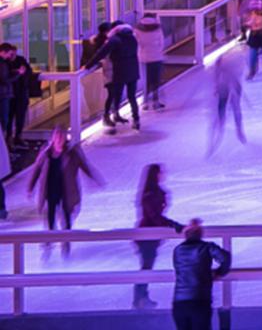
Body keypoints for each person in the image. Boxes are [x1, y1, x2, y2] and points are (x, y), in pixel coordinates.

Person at [27, 127, 100, 253]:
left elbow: (84, 165)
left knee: (66, 217)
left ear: (65, 138)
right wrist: (30, 187)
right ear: (53, 138)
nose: (59, 139)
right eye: (57, 136)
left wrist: (95, 178)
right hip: (50, 191)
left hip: (66, 191)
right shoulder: (46, 153)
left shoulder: (72, 153)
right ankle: (49, 242)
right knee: (50, 218)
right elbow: (36, 170)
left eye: (62, 136)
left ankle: (66, 242)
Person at [131, 163, 183, 309]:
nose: (163, 175)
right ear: (155, 175)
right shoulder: (149, 194)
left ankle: (141, 297)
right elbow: (154, 217)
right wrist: (172, 224)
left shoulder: (156, 192)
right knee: (146, 267)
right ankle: (139, 298)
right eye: (161, 172)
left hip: (151, 236)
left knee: (147, 266)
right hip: (145, 236)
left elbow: (157, 216)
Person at [171, 218, 232, 330]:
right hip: (200, 300)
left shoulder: (177, 250)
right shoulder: (207, 247)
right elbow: (225, 258)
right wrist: (218, 272)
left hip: (179, 302)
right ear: (200, 234)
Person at [85, 19, 142, 131]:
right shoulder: (132, 37)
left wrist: (88, 66)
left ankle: (114, 114)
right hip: (133, 70)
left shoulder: (114, 40)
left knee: (116, 93)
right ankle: (136, 119)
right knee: (131, 97)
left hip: (120, 71)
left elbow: (101, 54)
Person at [135, 13, 166, 111]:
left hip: (143, 58)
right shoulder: (158, 29)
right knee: (155, 80)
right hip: (157, 57)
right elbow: (162, 43)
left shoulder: (137, 30)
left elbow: (137, 44)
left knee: (145, 80)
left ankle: (145, 102)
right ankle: (156, 102)